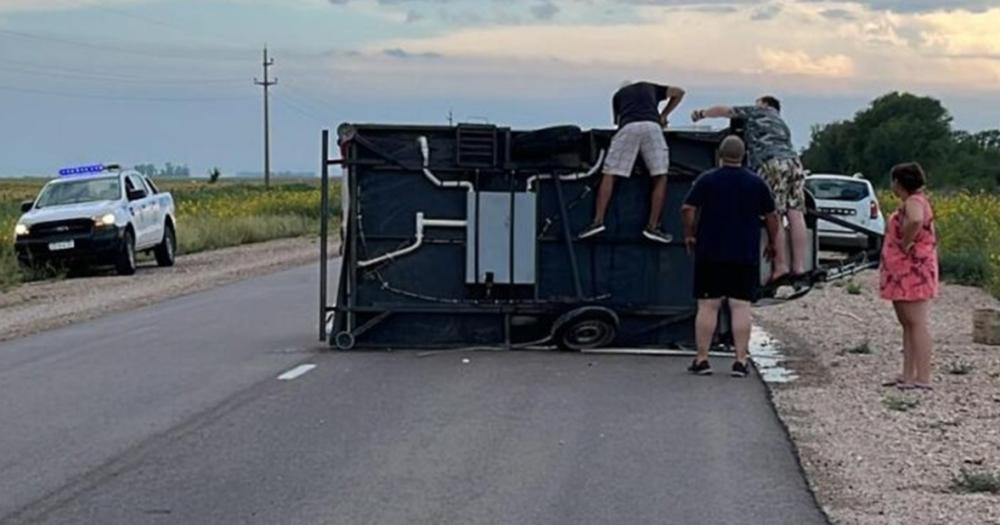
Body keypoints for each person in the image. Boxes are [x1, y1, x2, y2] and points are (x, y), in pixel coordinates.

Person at [681, 135, 781, 377]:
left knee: (708, 305)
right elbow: (772, 215)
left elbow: (688, 208)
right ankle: (740, 361)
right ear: (744, 155)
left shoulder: (707, 180)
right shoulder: (756, 183)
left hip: (710, 251)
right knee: (740, 306)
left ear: (720, 155)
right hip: (744, 253)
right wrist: (772, 242)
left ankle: (702, 359)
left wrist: (690, 234)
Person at [689, 96, 805, 282]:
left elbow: (724, 110)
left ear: (766, 104)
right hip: (794, 163)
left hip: (772, 163)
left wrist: (701, 114)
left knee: (775, 213)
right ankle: (799, 267)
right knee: (796, 214)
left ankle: (781, 266)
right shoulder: (780, 123)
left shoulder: (758, 112)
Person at [579, 81, 686, 244]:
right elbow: (679, 92)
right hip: (652, 127)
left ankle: (597, 221)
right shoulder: (650, 87)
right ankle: (653, 226)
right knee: (660, 175)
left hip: (628, 127)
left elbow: (618, 123)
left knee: (610, 173)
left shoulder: (618, 96)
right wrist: (663, 116)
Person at [880, 162, 938, 390]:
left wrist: (905, 242)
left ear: (899, 182)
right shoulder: (912, 202)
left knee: (916, 322)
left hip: (912, 270)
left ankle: (922, 377)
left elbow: (915, 220)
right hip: (903, 271)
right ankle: (907, 374)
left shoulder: (914, 202)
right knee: (908, 323)